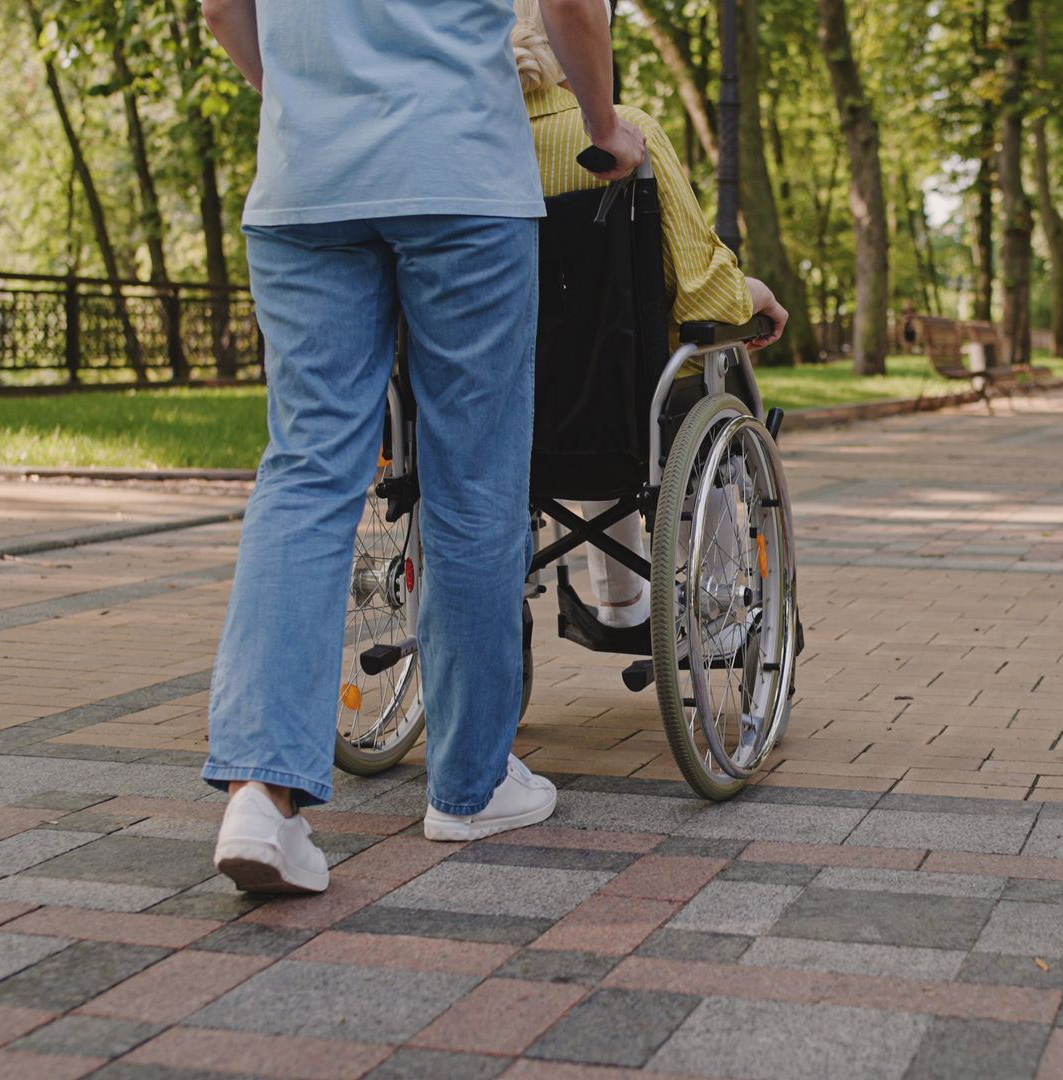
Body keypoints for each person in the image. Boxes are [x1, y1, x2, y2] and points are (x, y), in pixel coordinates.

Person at [198, 0, 647, 894]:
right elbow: (570, 7)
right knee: (474, 480)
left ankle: (262, 792)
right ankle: (469, 786)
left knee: (305, 474)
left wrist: (292, 99)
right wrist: (603, 127)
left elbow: (221, 8)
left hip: (305, 182)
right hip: (462, 179)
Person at [512, 0, 787, 629]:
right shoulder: (624, 132)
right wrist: (755, 290)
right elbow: (701, 291)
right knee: (698, 388)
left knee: (568, 376)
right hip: (611, 402)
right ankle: (716, 611)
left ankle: (619, 601)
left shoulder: (462, 151)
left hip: (498, 401)